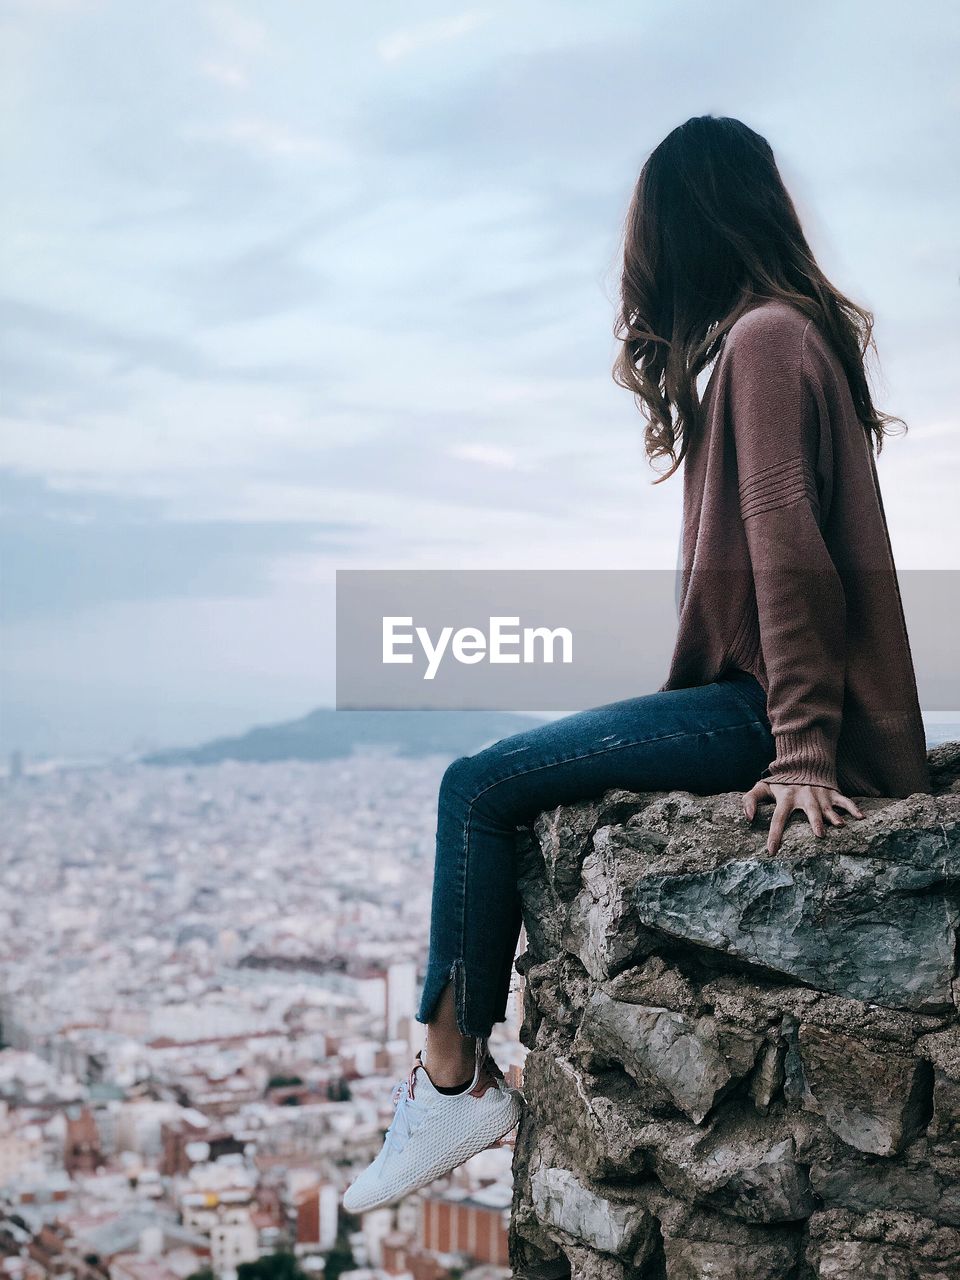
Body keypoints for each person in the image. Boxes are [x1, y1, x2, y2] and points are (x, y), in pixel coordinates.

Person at [341, 114, 930, 1214]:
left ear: (678, 228)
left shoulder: (762, 341)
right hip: (769, 700)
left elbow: (792, 555)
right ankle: (449, 1074)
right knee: (486, 780)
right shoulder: (784, 336)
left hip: (767, 710)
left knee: (475, 783)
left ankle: (452, 1075)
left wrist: (802, 745)